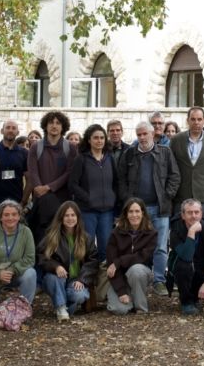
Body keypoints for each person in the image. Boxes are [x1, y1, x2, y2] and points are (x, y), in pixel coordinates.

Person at [116, 122, 180, 297]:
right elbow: (121, 179)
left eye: (145, 134)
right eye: (139, 135)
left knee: (160, 247)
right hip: (136, 212)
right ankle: (138, 280)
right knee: (135, 246)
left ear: (153, 134)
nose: (142, 138)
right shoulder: (129, 154)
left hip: (160, 208)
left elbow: (175, 176)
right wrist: (127, 200)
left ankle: (159, 280)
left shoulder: (165, 152)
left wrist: (167, 196)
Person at [37, 201, 98, 321]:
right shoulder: (52, 236)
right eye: (66, 215)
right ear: (61, 218)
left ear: (78, 217)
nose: (70, 218)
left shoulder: (86, 238)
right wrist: (56, 267)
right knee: (53, 278)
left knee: (81, 295)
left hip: (75, 280)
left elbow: (93, 260)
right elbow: (41, 256)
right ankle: (61, 307)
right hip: (56, 279)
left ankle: (63, 305)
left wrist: (82, 279)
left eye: (73, 215)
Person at [68, 124, 119, 262]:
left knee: (105, 248)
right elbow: (72, 184)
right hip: (87, 211)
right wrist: (88, 198)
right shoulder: (81, 159)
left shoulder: (110, 158)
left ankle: (102, 280)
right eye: (95, 138)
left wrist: (113, 199)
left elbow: (116, 182)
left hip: (107, 212)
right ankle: (85, 280)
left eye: (102, 138)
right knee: (86, 247)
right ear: (89, 140)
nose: (99, 141)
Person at [168, 199, 204, 315]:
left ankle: (196, 295)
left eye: (196, 212)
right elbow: (186, 256)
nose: (193, 216)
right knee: (184, 266)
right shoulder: (175, 231)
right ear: (183, 215)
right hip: (183, 272)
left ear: (201, 213)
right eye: (189, 213)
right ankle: (186, 301)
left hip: (202, 271)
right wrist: (191, 233)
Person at [27, 110, 77, 240]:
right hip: (41, 200)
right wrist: (39, 187)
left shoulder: (70, 147)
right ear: (45, 126)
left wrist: (49, 187)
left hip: (62, 200)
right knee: (41, 236)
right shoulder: (35, 147)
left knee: (61, 236)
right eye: (51, 123)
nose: (54, 126)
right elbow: (33, 170)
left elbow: (69, 172)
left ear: (63, 127)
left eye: (58, 123)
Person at [106, 198, 158, 315]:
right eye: (130, 212)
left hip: (140, 274)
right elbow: (111, 265)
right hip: (120, 277)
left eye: (137, 211)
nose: (134, 215)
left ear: (143, 213)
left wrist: (119, 261)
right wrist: (121, 291)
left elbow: (142, 257)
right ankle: (128, 296)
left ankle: (140, 307)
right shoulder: (115, 233)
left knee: (136, 269)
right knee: (119, 310)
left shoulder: (151, 233)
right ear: (126, 214)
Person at [170, 107, 204, 222]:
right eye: (193, 119)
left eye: (199, 119)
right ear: (187, 120)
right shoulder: (176, 140)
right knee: (180, 230)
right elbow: (171, 169)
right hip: (181, 195)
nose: (196, 122)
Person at [0, 119, 28, 206]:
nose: (10, 130)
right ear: (2, 131)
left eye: (13, 128)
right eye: (8, 127)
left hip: (16, 203)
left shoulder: (24, 153)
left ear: (17, 132)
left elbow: (29, 180)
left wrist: (23, 202)